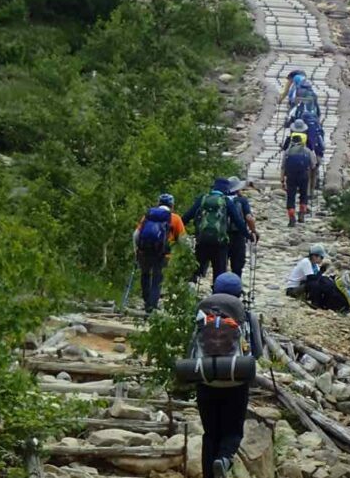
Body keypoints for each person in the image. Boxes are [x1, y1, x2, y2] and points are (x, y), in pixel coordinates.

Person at [195, 272, 257, 478]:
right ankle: (224, 458)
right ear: (239, 293)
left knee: (210, 433)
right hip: (235, 378)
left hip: (205, 378)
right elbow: (257, 352)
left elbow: (191, 349)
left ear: (214, 289)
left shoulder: (202, 313)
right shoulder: (245, 315)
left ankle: (209, 474)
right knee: (233, 431)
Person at [183, 178, 249, 285]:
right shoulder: (226, 201)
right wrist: (248, 235)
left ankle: (189, 291)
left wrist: (176, 230)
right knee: (219, 272)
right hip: (220, 243)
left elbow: (187, 216)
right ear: (226, 189)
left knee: (196, 269)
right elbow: (238, 221)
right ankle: (216, 296)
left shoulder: (203, 199)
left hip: (202, 241)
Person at [134, 193, 187, 313]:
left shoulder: (148, 216)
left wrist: (137, 249)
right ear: (172, 205)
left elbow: (136, 235)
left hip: (145, 251)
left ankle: (146, 300)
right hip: (163, 254)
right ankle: (151, 306)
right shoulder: (175, 218)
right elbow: (183, 239)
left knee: (145, 275)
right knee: (157, 280)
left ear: (158, 203)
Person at [281, 132, 318, 227]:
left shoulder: (288, 151)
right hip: (303, 175)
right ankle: (302, 214)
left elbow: (283, 166)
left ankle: (291, 217)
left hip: (291, 176)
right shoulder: (307, 150)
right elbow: (313, 164)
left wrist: (282, 180)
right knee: (303, 194)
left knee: (291, 196)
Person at [225, 176, 259, 278]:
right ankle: (236, 286)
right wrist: (253, 231)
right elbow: (249, 218)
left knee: (221, 264)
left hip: (223, 234)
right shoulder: (242, 200)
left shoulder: (222, 199)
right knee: (237, 265)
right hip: (238, 235)